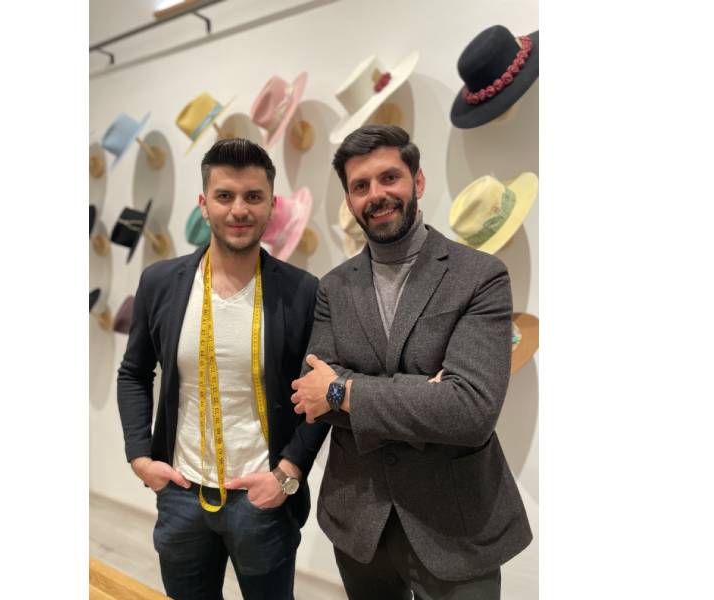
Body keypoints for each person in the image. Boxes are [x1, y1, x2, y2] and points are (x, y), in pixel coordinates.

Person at [291, 125, 532, 600]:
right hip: (359, 518)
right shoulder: (334, 287)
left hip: (456, 525)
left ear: (417, 181)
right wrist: (425, 392)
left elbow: (469, 411)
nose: (376, 195)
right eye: (361, 186)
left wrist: (343, 390)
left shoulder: (480, 276)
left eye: (389, 178)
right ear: (349, 200)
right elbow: (310, 392)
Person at [117, 138, 329, 600]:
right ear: (203, 203)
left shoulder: (301, 291)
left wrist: (287, 474)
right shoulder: (161, 283)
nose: (239, 210)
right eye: (225, 196)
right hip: (181, 492)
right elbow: (133, 372)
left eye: (253, 196)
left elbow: (320, 396)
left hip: (262, 498)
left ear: (271, 205)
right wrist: (139, 456)